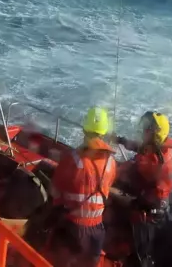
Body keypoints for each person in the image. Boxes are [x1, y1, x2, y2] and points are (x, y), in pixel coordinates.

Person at [44, 106, 117, 267]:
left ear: (84, 130)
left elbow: (54, 191)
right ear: (103, 132)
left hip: (73, 227)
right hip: (98, 230)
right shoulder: (111, 163)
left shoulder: (74, 159)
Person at [116, 111, 172, 267]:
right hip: (160, 206)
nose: (144, 131)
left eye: (147, 129)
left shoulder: (153, 163)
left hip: (149, 213)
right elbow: (142, 148)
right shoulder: (162, 149)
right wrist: (122, 141)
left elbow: (126, 171)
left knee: (142, 254)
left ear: (155, 135)